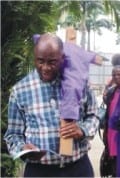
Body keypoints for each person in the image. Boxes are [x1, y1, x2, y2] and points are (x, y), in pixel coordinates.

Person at [4, 34, 99, 177]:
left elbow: (93, 115)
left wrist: (82, 130)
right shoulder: (20, 91)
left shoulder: (78, 83)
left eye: (52, 62)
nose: (45, 68)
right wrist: (22, 149)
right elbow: (13, 135)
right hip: (39, 171)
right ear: (34, 57)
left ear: (62, 58)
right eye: (40, 61)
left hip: (78, 168)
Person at [100, 65, 120, 177]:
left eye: (119, 74)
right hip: (111, 131)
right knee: (112, 158)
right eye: (114, 75)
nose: (116, 77)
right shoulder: (112, 92)